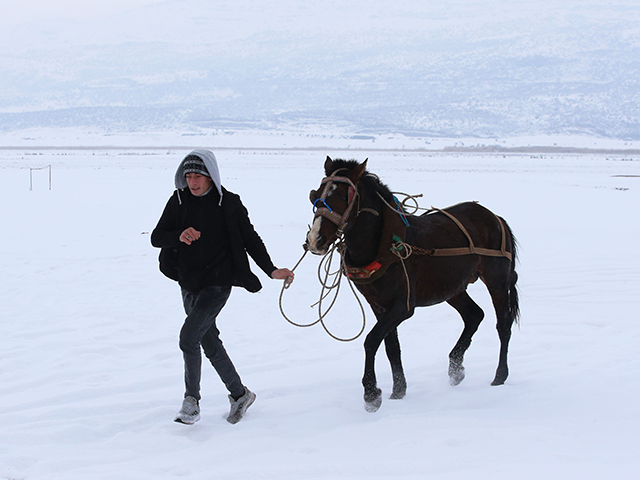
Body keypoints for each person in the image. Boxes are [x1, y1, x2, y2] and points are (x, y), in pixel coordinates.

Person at [151, 149, 294, 425]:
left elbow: (250, 238)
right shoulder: (178, 201)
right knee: (208, 341)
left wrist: (271, 270)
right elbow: (157, 237)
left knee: (188, 337)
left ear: (211, 177)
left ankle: (191, 401)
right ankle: (240, 394)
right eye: (188, 176)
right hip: (189, 282)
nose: (192, 182)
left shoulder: (228, 203)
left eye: (198, 176)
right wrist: (178, 235)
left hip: (218, 283)